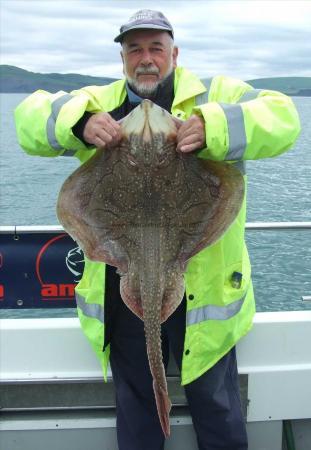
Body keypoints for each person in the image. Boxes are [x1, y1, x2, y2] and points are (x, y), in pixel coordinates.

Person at [15, 9, 300, 450]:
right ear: (123, 58)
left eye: (156, 48)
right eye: (134, 49)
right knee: (137, 410)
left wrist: (215, 127)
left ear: (174, 53)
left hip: (204, 292)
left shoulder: (218, 94)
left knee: (218, 408)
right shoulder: (98, 101)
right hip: (123, 277)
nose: (146, 58)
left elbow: (284, 118)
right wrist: (79, 123)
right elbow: (29, 117)